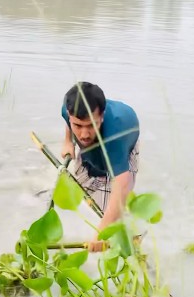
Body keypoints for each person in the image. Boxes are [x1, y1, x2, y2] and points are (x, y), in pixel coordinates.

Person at [59, 82, 140, 252]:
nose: (84, 134)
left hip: (124, 142)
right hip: (98, 141)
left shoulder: (117, 133)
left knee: (114, 211)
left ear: (101, 116)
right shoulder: (68, 107)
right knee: (83, 187)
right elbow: (69, 121)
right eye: (78, 126)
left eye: (91, 125)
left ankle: (133, 242)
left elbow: (122, 184)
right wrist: (68, 142)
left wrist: (100, 233)